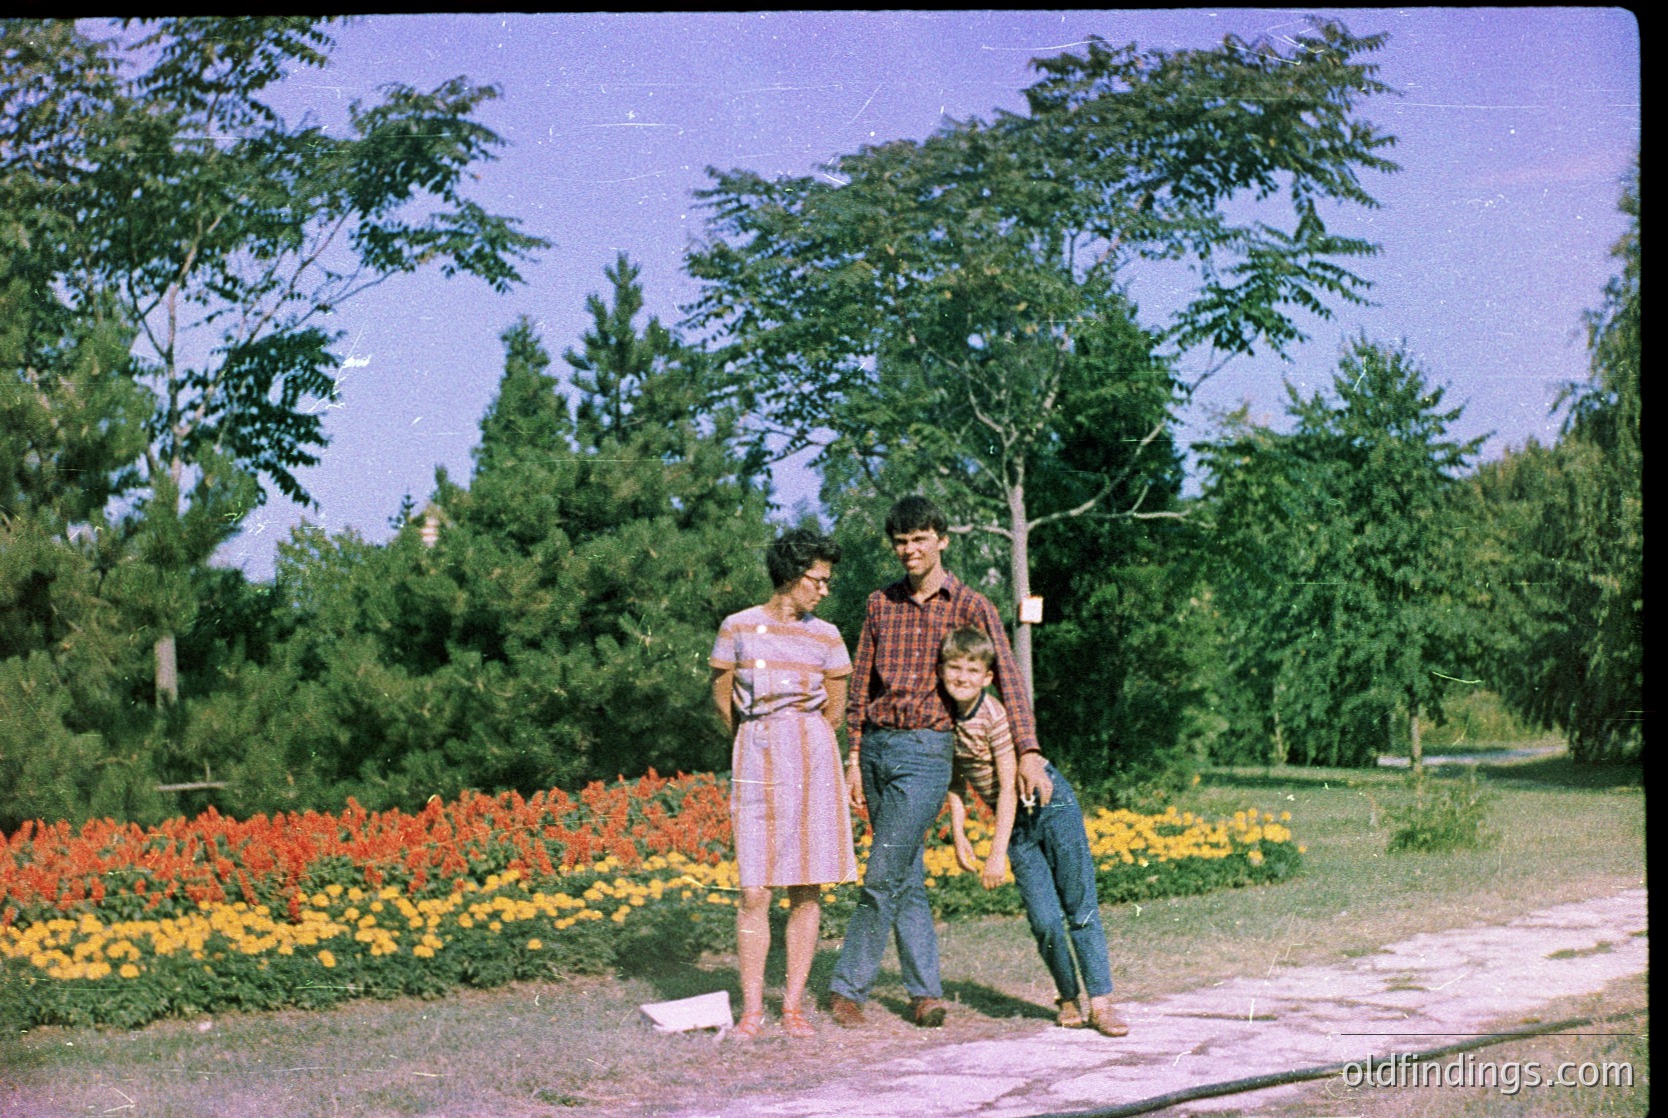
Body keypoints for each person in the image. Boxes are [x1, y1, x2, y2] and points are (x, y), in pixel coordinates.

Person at [828, 495, 1051, 1029]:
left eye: (920, 539)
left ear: (942, 540)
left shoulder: (972, 606)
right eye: (901, 542)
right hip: (878, 747)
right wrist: (853, 756)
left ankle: (847, 987)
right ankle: (925, 992)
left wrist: (1029, 750)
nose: (909, 550)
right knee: (904, 873)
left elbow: (1012, 682)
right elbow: (861, 685)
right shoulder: (880, 604)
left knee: (883, 871)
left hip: (927, 752)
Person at [938, 626, 1130, 1037]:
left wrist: (994, 854)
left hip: (1050, 805)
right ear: (941, 670)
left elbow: (1008, 787)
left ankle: (1101, 1003)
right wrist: (960, 836)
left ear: (988, 677)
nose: (961, 677)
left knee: (1079, 908)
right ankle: (1067, 995)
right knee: (1044, 919)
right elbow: (954, 784)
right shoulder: (943, 719)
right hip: (1018, 828)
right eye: (953, 668)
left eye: (973, 670)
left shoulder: (993, 715)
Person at [710, 527, 856, 1040]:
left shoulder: (828, 635)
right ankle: (752, 1009)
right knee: (754, 890)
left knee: (807, 886)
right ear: (792, 575)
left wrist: (802, 740)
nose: (824, 589)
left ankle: (792, 1006)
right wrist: (758, 739)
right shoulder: (738, 628)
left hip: (812, 756)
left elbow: (835, 708)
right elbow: (723, 698)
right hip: (756, 755)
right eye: (818, 579)